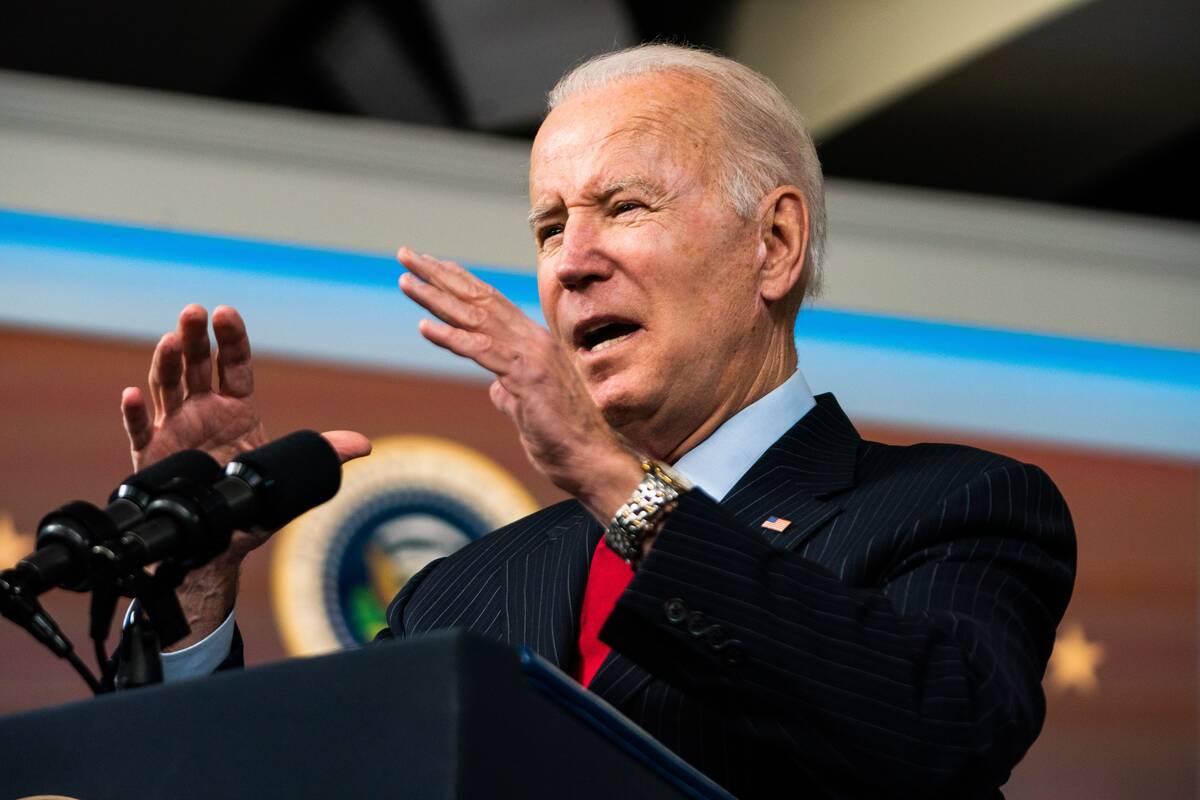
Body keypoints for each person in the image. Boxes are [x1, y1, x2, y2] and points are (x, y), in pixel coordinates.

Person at [119, 45, 1075, 799]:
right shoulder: (455, 597)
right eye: (547, 228)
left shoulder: (956, 506)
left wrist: (615, 480)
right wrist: (192, 592)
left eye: (624, 207)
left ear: (774, 245)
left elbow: (936, 730)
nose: (571, 263)